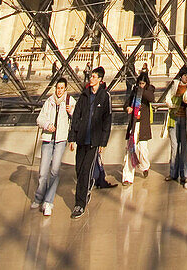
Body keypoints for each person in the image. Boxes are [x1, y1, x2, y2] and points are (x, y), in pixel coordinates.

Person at [67, 66, 112, 219]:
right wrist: (72, 137)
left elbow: (107, 120)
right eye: (91, 76)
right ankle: (86, 189)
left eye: (94, 77)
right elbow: (76, 117)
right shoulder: (84, 95)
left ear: (100, 79)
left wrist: (103, 142)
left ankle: (80, 204)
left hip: (94, 141)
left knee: (86, 171)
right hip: (81, 139)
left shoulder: (105, 97)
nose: (91, 79)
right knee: (79, 170)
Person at [32, 76, 75, 217]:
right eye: (58, 88)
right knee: (43, 172)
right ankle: (39, 197)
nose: (59, 90)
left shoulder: (70, 102)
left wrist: (71, 112)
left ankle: (48, 202)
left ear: (66, 89)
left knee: (55, 171)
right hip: (47, 139)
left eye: (62, 88)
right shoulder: (49, 101)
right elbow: (39, 118)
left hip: (61, 140)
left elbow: (78, 118)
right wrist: (47, 125)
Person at [122, 69, 155, 184]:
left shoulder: (149, 90)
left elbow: (151, 98)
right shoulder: (134, 92)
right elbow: (126, 104)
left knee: (142, 150)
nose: (140, 85)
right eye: (139, 83)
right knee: (130, 149)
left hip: (143, 125)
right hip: (134, 124)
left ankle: (145, 166)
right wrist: (128, 108)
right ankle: (127, 177)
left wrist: (141, 91)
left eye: (143, 83)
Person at [165, 66, 187, 183]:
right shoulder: (175, 85)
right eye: (185, 75)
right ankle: (173, 172)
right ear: (181, 76)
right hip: (174, 118)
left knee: (184, 147)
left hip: (185, 119)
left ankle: (184, 173)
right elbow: (167, 98)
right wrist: (172, 105)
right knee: (174, 147)